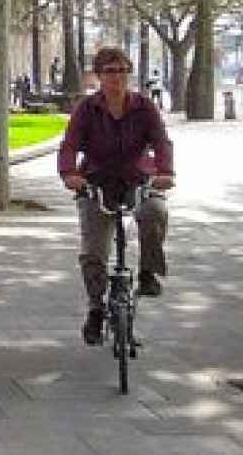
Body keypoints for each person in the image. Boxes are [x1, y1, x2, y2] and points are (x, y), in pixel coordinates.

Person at [57, 45, 175, 346]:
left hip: (138, 179)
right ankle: (96, 307)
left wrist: (165, 172)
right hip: (96, 184)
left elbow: (161, 142)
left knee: (155, 213)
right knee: (93, 250)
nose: (117, 77)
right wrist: (70, 174)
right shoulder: (87, 109)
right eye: (110, 71)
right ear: (98, 76)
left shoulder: (144, 106)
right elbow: (69, 145)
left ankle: (148, 272)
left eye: (123, 70)